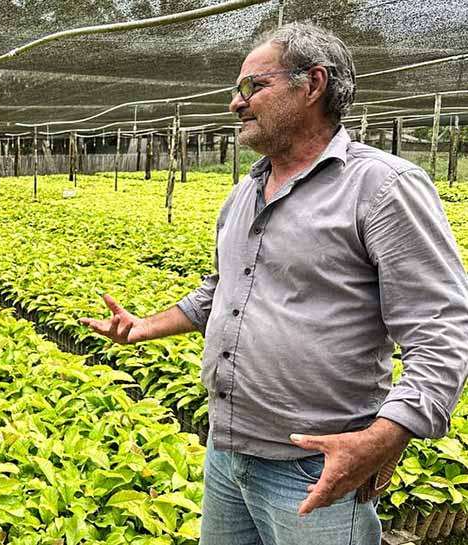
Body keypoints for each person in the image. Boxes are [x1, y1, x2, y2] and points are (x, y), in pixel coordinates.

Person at [81, 22, 468, 545]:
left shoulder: (382, 187)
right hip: (227, 450)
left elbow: (442, 330)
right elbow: (222, 287)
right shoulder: (244, 192)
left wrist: (383, 438)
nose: (235, 105)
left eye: (252, 88)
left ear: (312, 84)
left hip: (315, 466)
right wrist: (143, 327)